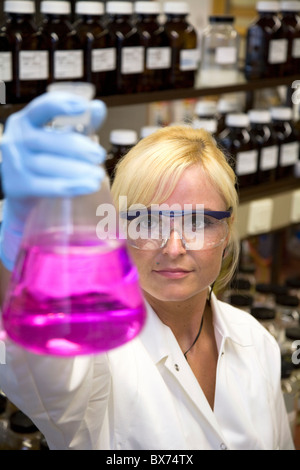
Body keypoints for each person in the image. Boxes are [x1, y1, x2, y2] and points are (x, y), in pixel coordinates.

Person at [0, 93, 295, 450]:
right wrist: (18, 253)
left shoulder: (256, 342)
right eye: (147, 221)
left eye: (199, 221)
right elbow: (37, 367)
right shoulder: (95, 353)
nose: (173, 248)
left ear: (226, 231)